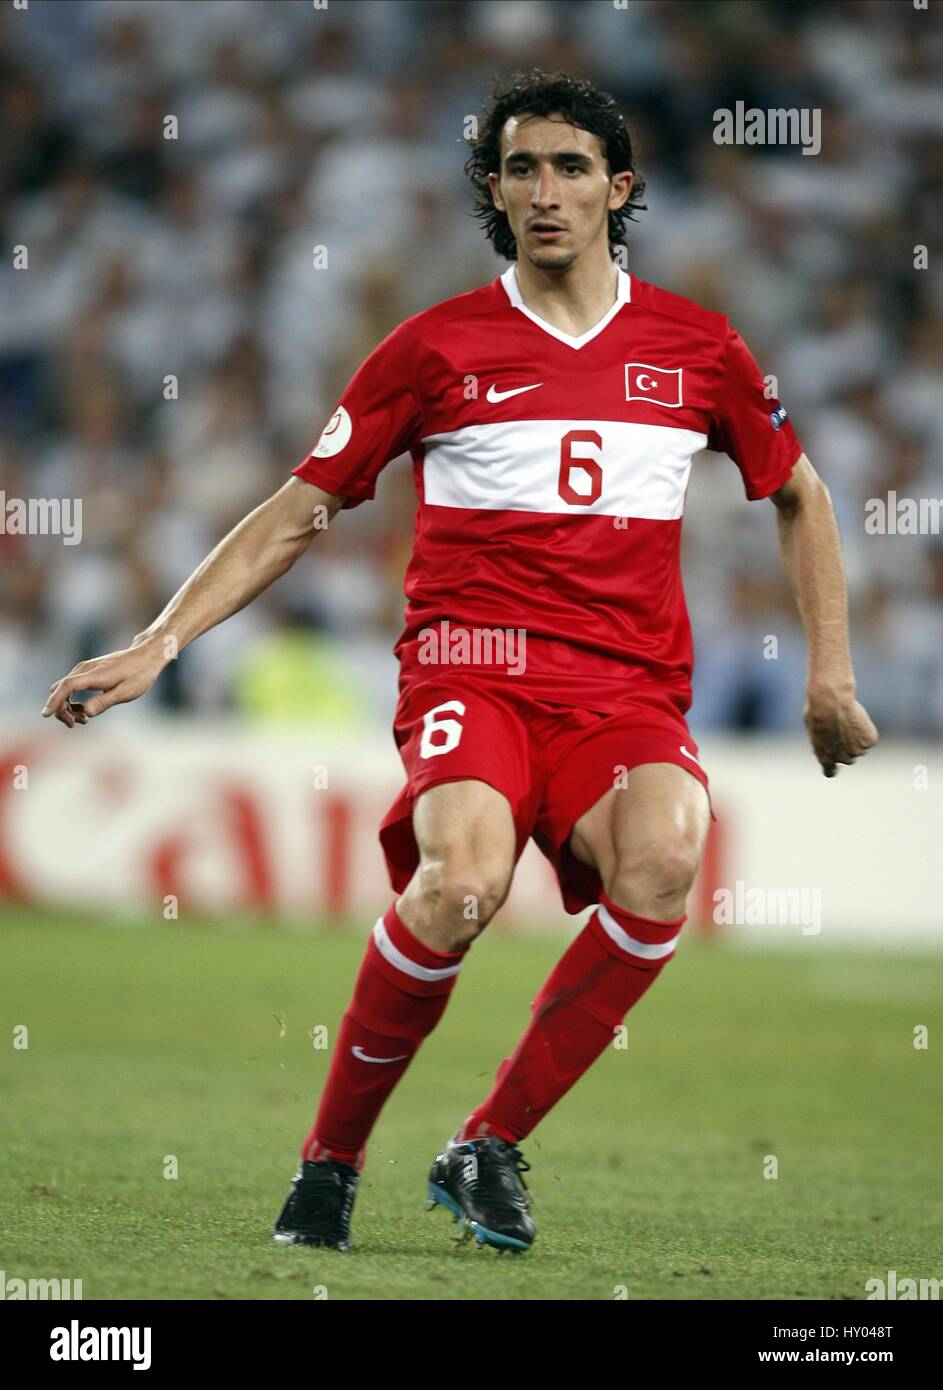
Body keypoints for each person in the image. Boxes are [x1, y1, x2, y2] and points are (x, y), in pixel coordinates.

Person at [43, 70, 878, 1254]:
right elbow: (298, 509)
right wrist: (158, 639)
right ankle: (329, 1162)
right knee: (459, 882)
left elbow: (798, 492)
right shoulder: (432, 348)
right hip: (470, 669)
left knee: (666, 859)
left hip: (623, 689)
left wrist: (829, 676)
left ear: (617, 188)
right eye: (521, 169)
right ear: (492, 190)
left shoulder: (699, 348)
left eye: (571, 167)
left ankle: (486, 1141)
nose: (546, 191)